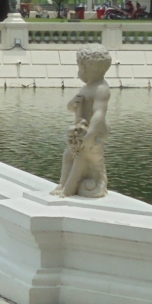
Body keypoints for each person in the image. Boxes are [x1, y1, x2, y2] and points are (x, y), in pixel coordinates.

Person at [52, 44, 111, 198]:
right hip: (81, 131)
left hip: (94, 133)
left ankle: (68, 189)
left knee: (80, 158)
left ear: (89, 69)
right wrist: (72, 104)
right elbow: (73, 108)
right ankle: (63, 183)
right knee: (68, 155)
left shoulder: (101, 89)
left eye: (80, 67)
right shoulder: (86, 88)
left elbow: (99, 113)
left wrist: (90, 134)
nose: (78, 71)